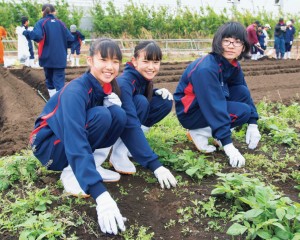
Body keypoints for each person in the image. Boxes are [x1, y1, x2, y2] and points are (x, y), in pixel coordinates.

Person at [174, 21, 261, 168]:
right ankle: (199, 132)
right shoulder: (206, 69)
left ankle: (215, 133)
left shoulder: (232, 65)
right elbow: (213, 105)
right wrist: (228, 145)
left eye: (237, 42)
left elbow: (242, 91)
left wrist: (253, 123)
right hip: (191, 113)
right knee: (242, 111)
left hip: (205, 105)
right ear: (218, 42)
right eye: (226, 40)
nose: (231, 45)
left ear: (244, 47)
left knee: (242, 92)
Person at [103, 41, 177, 191]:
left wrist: (155, 91)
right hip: (107, 127)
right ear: (134, 61)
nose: (151, 67)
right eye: (146, 61)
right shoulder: (125, 82)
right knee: (141, 102)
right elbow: (130, 121)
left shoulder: (142, 79)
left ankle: (132, 147)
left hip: (124, 121)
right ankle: (118, 153)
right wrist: (155, 165)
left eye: (155, 62)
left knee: (164, 101)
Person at [23, 3, 74, 98]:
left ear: (42, 12)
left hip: (47, 58)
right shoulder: (61, 23)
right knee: (59, 83)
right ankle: (59, 104)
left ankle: (52, 101)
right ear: (54, 12)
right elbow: (71, 39)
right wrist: (62, 46)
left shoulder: (41, 22)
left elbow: (37, 36)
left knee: (49, 80)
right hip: (60, 58)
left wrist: (26, 33)